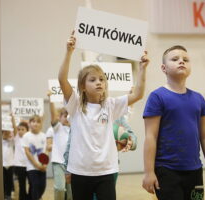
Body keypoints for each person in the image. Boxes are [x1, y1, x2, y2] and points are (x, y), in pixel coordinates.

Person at [58, 31, 149, 200]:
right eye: (92, 80)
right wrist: (69, 52)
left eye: (101, 79)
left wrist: (142, 69)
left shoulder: (111, 105)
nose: (99, 82)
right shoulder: (75, 105)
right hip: (80, 171)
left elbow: (138, 94)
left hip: (107, 171)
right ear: (83, 86)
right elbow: (62, 80)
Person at [142, 45, 205, 200]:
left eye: (185, 59)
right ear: (164, 68)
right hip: (166, 170)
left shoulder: (199, 99)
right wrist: (149, 172)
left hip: (195, 170)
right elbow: (150, 137)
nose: (181, 62)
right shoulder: (157, 97)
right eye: (175, 59)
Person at [46, 92, 72, 200]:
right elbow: (53, 115)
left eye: (69, 116)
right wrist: (51, 99)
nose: (67, 118)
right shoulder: (57, 128)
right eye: (65, 116)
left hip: (72, 164)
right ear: (60, 117)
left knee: (71, 193)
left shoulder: (75, 128)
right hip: (58, 163)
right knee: (60, 188)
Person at [22, 115, 47, 200]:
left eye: (38, 122)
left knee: (42, 186)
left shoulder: (44, 136)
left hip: (42, 167)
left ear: (41, 124)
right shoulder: (26, 136)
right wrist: (36, 165)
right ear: (29, 124)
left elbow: (45, 151)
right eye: (33, 121)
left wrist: (44, 164)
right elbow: (27, 152)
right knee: (35, 186)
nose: (35, 124)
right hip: (32, 167)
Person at [12, 115, 29, 200]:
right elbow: (14, 126)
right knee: (22, 185)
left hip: (29, 165)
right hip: (19, 166)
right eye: (19, 129)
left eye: (23, 129)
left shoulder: (29, 138)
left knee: (32, 184)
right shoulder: (17, 138)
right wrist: (12, 117)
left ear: (27, 130)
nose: (20, 131)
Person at [2, 126, 15, 200]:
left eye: (8, 132)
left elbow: (15, 133)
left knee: (9, 181)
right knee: (3, 181)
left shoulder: (11, 141)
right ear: (2, 133)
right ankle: (3, 195)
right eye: (5, 132)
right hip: (2, 165)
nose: (7, 134)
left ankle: (8, 195)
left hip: (10, 164)